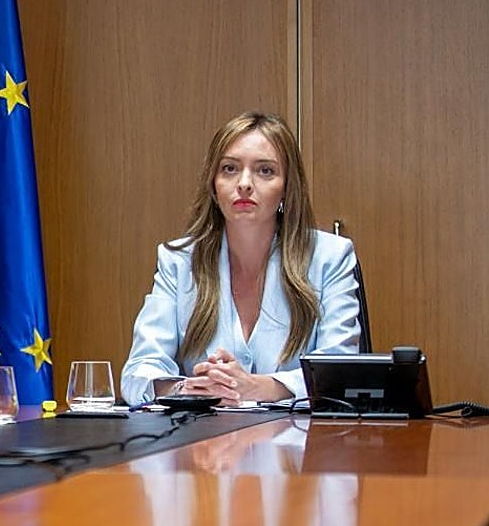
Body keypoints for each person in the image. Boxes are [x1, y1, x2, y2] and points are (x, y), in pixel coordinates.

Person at [120, 111, 361, 406]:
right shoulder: (179, 261)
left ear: (287, 188)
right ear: (213, 185)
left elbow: (340, 373)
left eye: (265, 171)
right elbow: (138, 373)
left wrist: (258, 388)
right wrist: (191, 389)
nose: (244, 183)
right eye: (230, 169)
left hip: (299, 444)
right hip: (202, 447)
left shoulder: (329, 258)